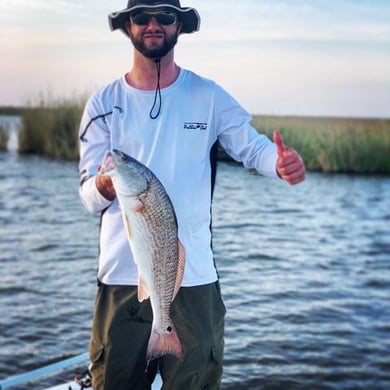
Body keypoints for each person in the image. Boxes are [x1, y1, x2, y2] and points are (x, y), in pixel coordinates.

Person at [78, 0, 306, 389]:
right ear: (128, 26)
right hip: (120, 279)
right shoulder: (103, 104)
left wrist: (279, 162)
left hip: (195, 277)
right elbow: (88, 197)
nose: (153, 24)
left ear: (178, 26)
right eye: (142, 16)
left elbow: (253, 148)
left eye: (165, 16)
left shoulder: (208, 95)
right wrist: (102, 184)